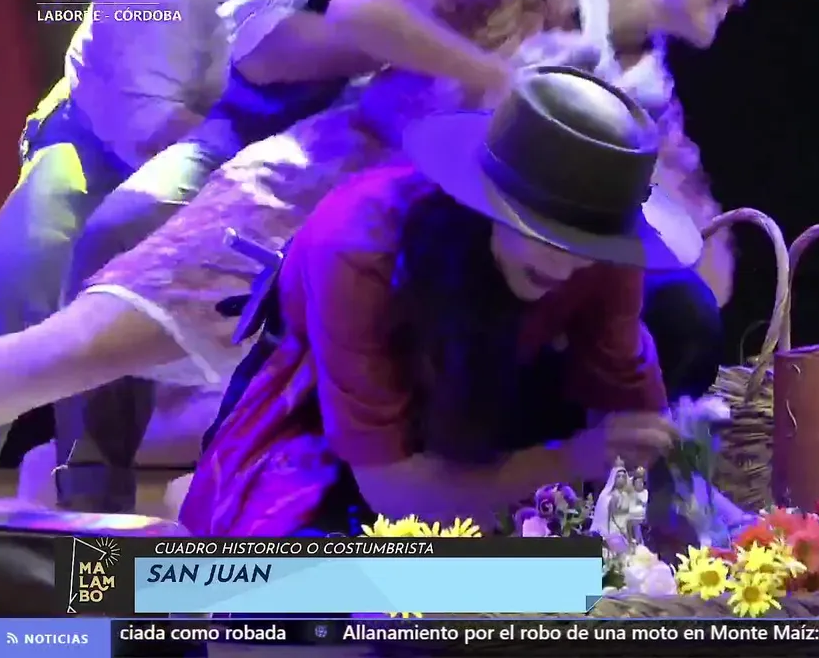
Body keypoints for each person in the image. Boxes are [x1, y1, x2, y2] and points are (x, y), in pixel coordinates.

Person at [0, 0, 748, 508]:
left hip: (437, 299)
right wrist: (498, 81)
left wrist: (628, 185)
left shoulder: (647, 111)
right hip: (321, 205)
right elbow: (359, 11)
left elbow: (711, 272)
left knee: (307, 444)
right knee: (68, 352)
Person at [182, 67, 701, 534]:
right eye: (544, 233)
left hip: (496, 405)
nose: (566, 266)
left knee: (684, 310)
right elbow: (393, 493)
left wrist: (654, 474)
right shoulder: (360, 244)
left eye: (584, 247)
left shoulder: (604, 248)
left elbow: (628, 410)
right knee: (314, 588)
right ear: (487, 199)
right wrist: (570, 460)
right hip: (337, 433)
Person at [0, 0, 244, 473]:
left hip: (261, 141)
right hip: (104, 125)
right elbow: (138, 109)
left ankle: (75, 474)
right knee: (31, 260)